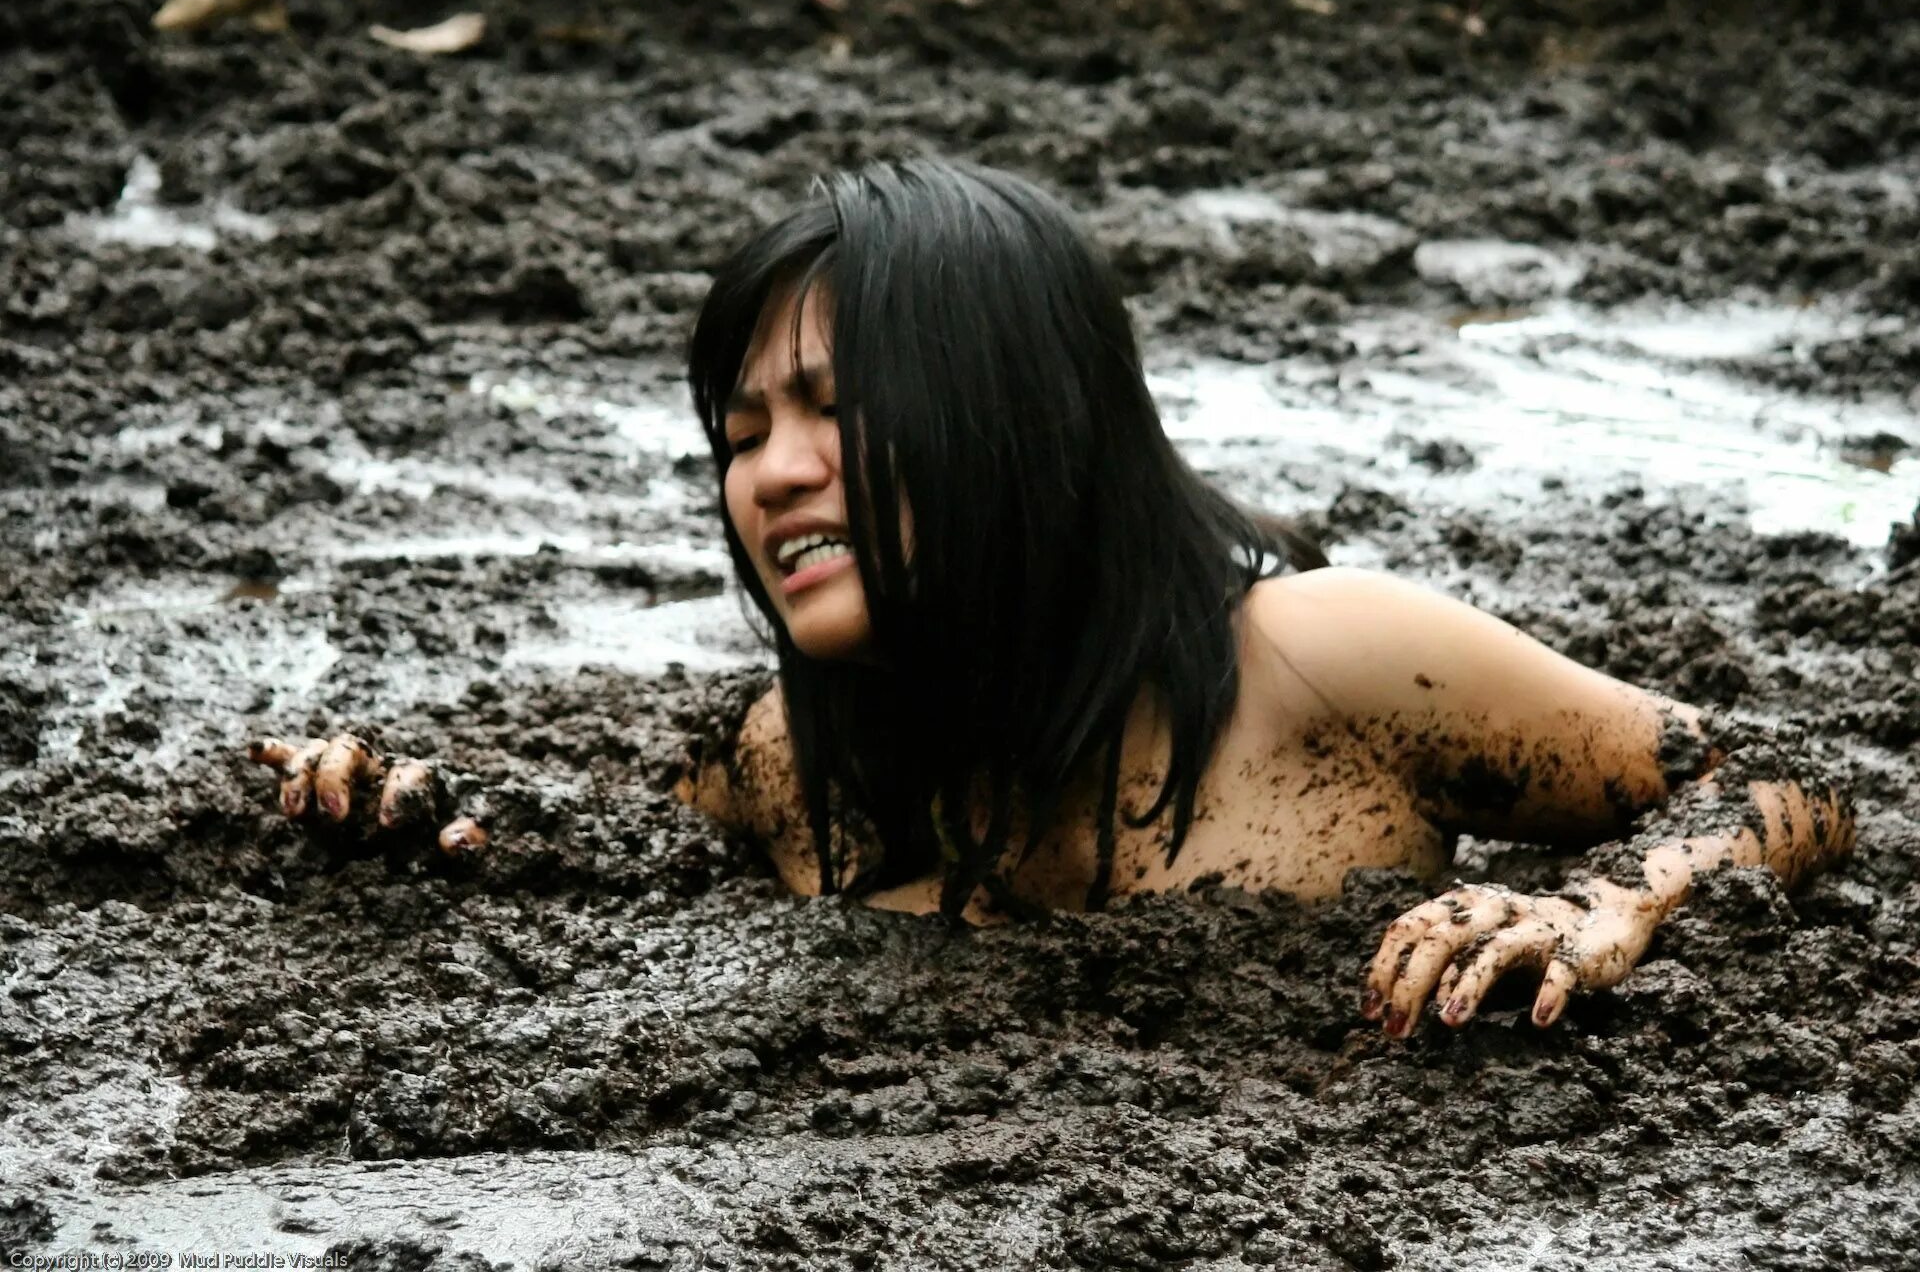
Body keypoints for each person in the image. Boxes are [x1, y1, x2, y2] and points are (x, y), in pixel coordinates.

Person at [250, 159, 1855, 1040]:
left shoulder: (1329, 665)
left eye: (829, 407)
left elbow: (1786, 776)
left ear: (1012, 413)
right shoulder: (787, 763)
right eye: (740, 437)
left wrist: (1601, 907)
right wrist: (412, 806)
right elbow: (597, 853)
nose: (772, 477)